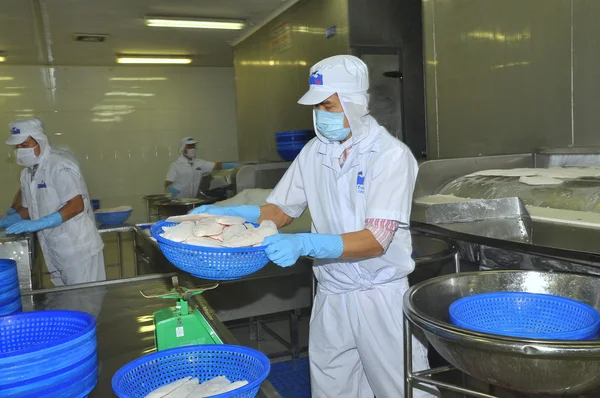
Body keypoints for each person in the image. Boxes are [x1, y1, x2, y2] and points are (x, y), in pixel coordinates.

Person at [190, 55, 436, 397]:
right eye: (317, 106)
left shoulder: (390, 156)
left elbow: (377, 240)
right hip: (332, 294)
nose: (321, 114)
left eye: (328, 105)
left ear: (355, 104)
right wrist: (235, 215)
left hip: (378, 297)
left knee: (400, 389)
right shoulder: (314, 152)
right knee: (332, 387)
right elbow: (281, 209)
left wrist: (306, 245)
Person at [0, 119, 106, 286]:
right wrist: (6, 221)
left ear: (39, 141)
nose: (20, 151)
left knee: (86, 302)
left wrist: (40, 223)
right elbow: (27, 209)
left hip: (78, 250)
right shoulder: (27, 174)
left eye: (25, 145)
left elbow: (77, 205)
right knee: (67, 302)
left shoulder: (59, 165)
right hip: (53, 250)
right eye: (17, 147)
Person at [164, 137, 239, 198]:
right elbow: (168, 183)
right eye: (189, 147)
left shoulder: (199, 163)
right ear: (182, 149)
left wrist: (234, 165)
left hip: (193, 200)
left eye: (193, 147)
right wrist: (171, 189)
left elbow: (216, 165)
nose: (192, 149)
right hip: (178, 200)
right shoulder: (175, 166)